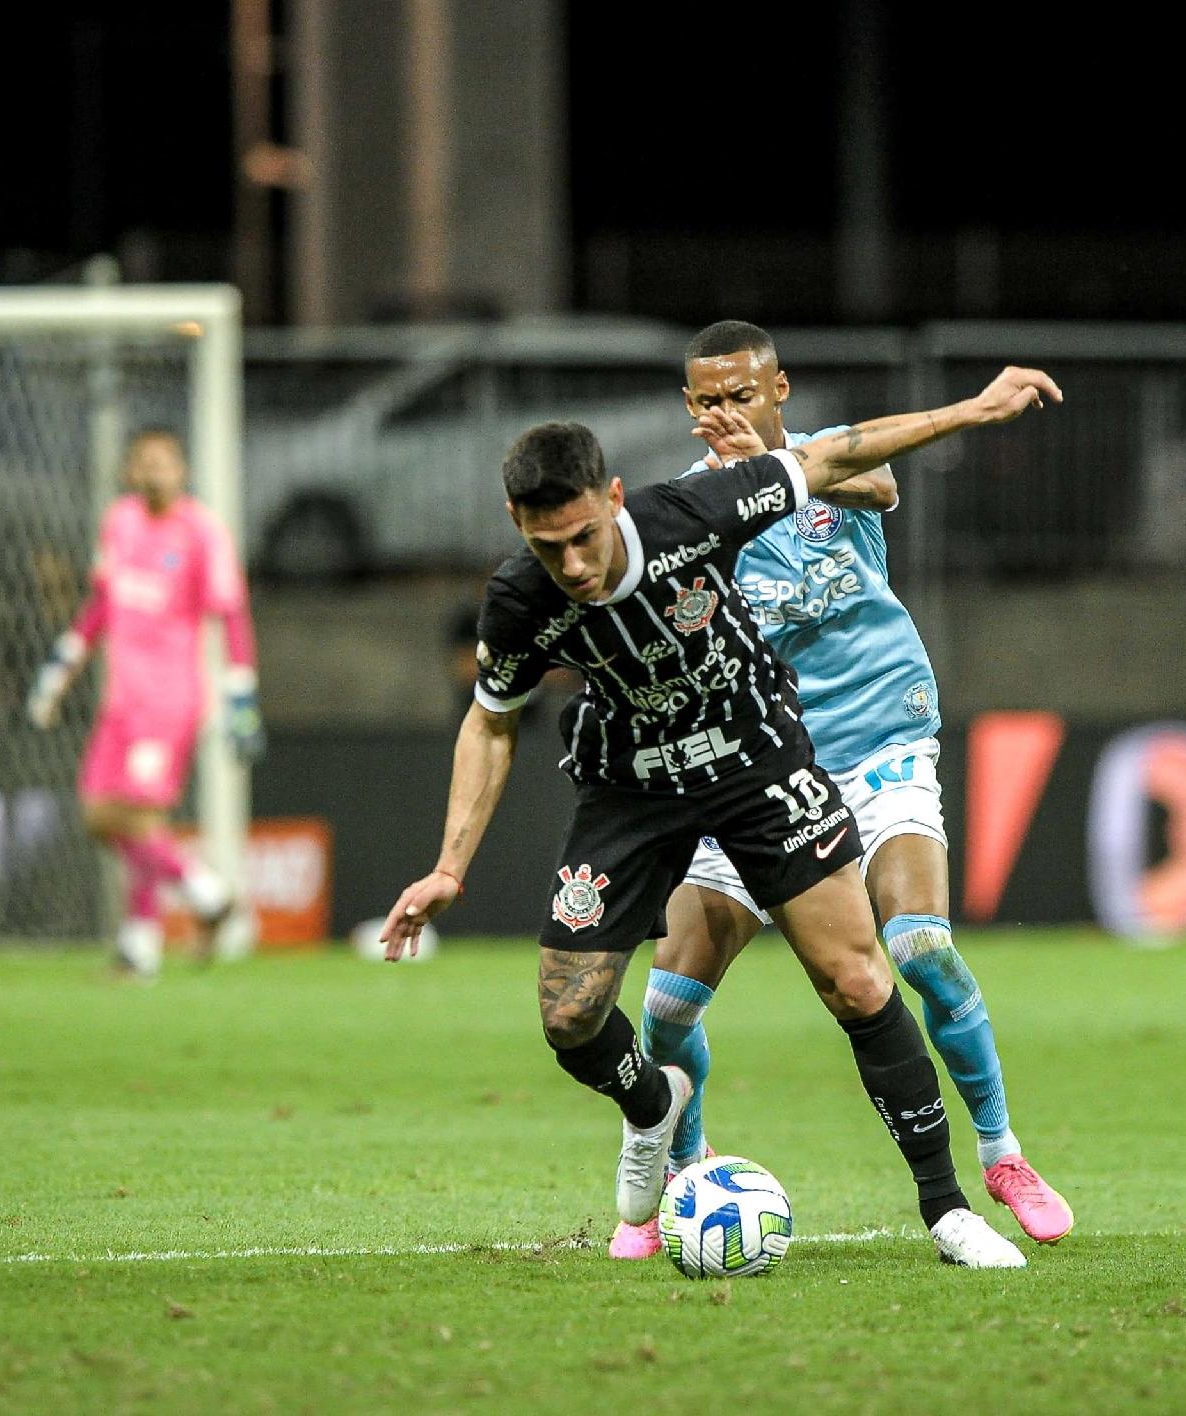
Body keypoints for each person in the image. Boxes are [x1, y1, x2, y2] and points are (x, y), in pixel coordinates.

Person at [383, 364, 1062, 1268]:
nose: (576, 566)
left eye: (586, 537)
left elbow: (838, 457)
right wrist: (449, 868)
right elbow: (491, 722)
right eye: (553, 550)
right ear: (519, 528)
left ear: (614, 499)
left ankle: (948, 1209)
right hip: (631, 791)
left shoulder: (690, 513)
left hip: (755, 762)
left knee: (862, 979)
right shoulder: (518, 602)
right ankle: (652, 1108)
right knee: (571, 1016)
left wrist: (975, 409)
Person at [601, 322, 1072, 1262]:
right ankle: (680, 1172)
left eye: (742, 395)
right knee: (669, 1003)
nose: (724, 414)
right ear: (688, 409)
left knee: (922, 946)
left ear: (780, 388)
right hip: (758, 765)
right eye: (707, 401)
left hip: (880, 739)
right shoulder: (688, 508)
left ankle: (1001, 1153)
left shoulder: (834, 460)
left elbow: (877, 479)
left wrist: (774, 460)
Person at [27, 428, 266, 977]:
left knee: (132, 815)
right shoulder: (120, 521)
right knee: (101, 816)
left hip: (169, 700)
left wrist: (241, 696)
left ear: (182, 470)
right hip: (121, 700)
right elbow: (102, 603)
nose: (155, 472)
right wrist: (60, 668)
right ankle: (194, 901)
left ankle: (151, 936)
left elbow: (230, 614)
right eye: (144, 463)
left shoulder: (204, 532)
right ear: (131, 472)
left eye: (165, 462)